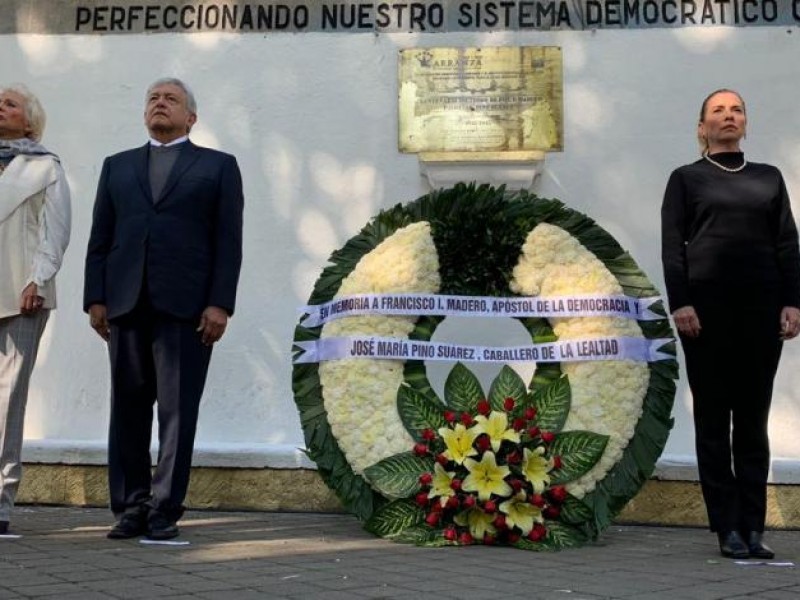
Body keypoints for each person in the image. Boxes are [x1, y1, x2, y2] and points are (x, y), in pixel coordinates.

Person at [84, 77, 243, 540]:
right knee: (127, 409)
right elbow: (100, 239)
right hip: (126, 304)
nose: (160, 104)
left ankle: (164, 508)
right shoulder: (117, 167)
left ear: (190, 117)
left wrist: (220, 304)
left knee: (177, 412)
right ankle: (131, 506)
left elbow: (228, 243)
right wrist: (96, 298)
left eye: (171, 99)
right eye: (153, 98)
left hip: (187, 308)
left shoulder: (217, 167)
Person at [661, 89, 800, 560]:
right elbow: (673, 248)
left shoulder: (769, 178)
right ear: (702, 128)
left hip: (761, 316)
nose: (728, 116)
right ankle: (726, 528)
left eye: (736, 109)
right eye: (717, 111)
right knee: (714, 422)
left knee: (753, 423)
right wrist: (681, 303)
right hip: (705, 317)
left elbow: (787, 245)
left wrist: (792, 302)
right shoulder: (685, 179)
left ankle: (754, 527)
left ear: (746, 123)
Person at [0, 84, 71, 535]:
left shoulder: (45, 167)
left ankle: (1, 498)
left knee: (7, 400)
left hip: (19, 293)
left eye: (8, 104)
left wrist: (38, 280)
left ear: (29, 121)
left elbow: (56, 229)